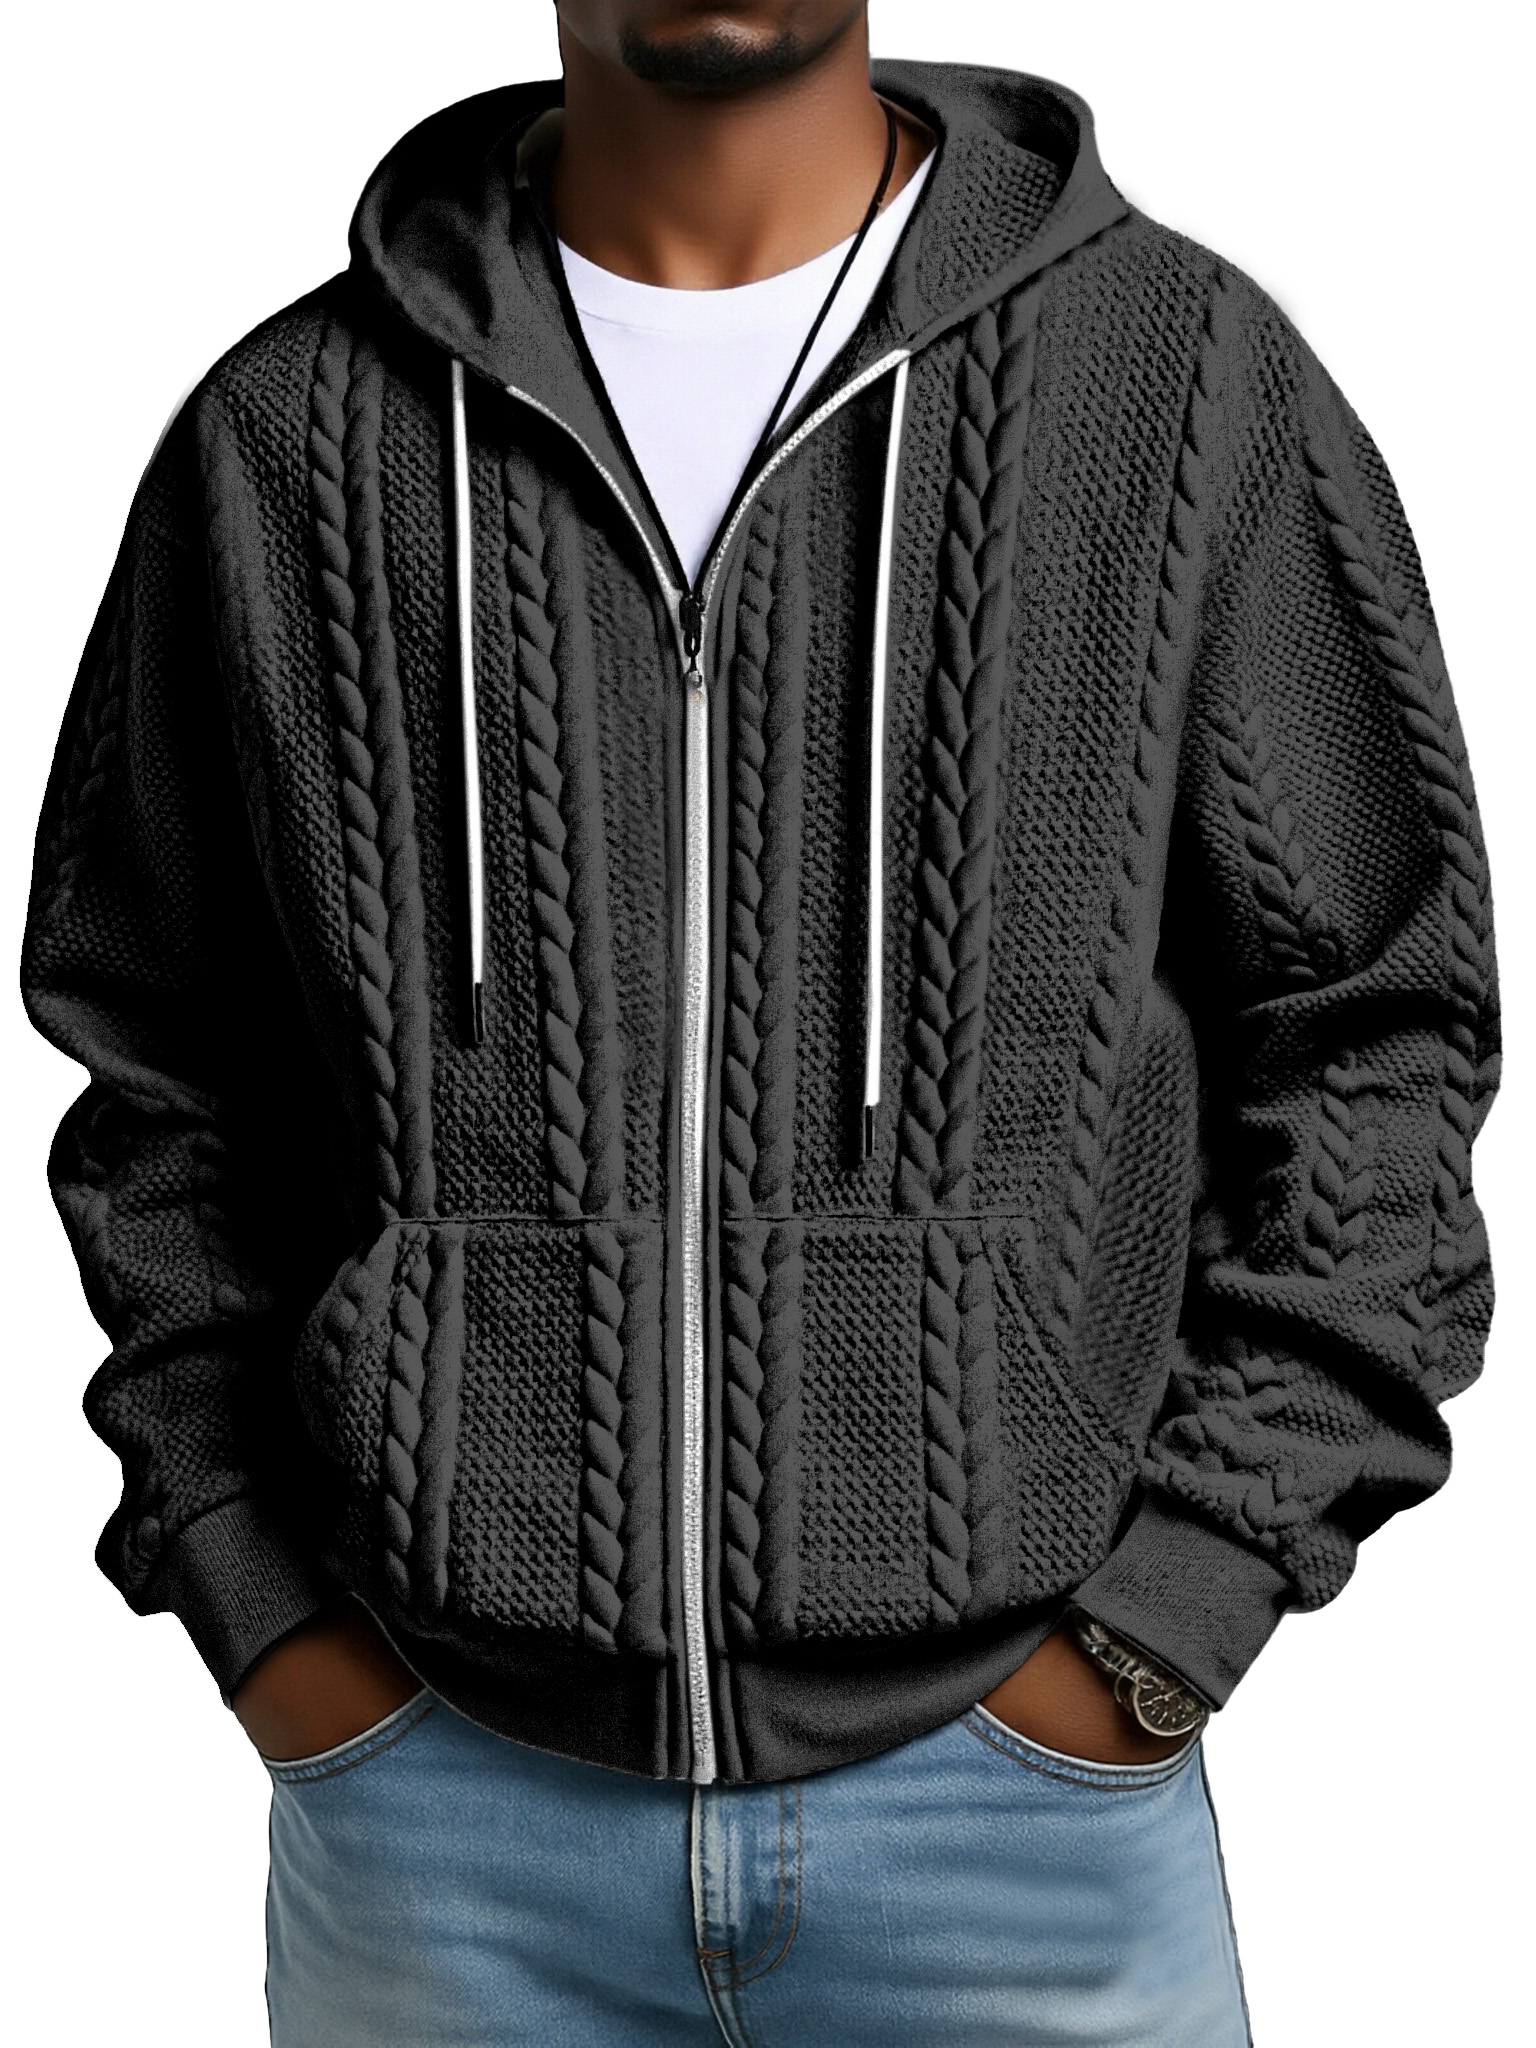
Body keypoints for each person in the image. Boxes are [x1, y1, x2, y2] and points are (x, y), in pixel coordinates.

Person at [19, 4, 1501, 2044]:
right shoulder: (291, 432)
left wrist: (1169, 1619)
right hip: (448, 1832)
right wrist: (261, 1606)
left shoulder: (1175, 375)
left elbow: (1375, 1028)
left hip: (1022, 1825)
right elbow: (158, 1068)